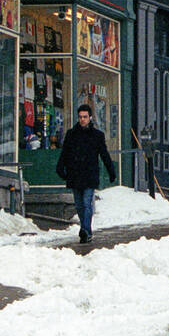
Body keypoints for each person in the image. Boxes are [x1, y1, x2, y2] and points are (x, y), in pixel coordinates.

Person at [55, 103, 117, 243]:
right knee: (79, 205)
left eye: (85, 117)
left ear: (90, 117)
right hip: (75, 174)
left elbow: (104, 154)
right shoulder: (71, 134)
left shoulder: (97, 136)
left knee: (86, 203)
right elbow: (65, 153)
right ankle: (85, 230)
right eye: (80, 117)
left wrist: (111, 171)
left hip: (89, 175)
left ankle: (85, 231)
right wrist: (60, 168)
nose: (82, 119)